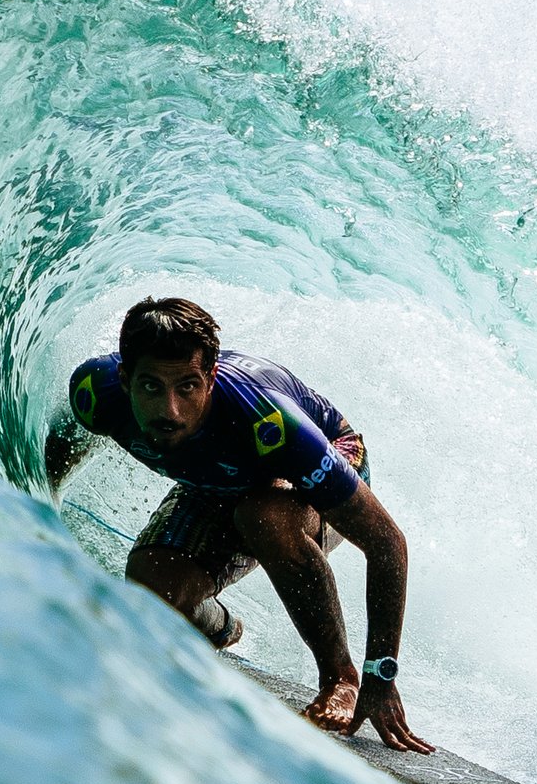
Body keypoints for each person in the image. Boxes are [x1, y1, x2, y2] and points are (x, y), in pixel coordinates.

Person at [44, 296, 432, 754]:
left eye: (187, 387)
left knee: (264, 517)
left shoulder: (269, 422)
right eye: (151, 386)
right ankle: (220, 629)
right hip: (222, 478)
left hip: (323, 461)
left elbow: (387, 543)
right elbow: (53, 467)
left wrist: (380, 674)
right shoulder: (95, 393)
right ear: (125, 379)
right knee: (152, 591)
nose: (170, 410)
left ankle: (338, 677)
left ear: (209, 378)